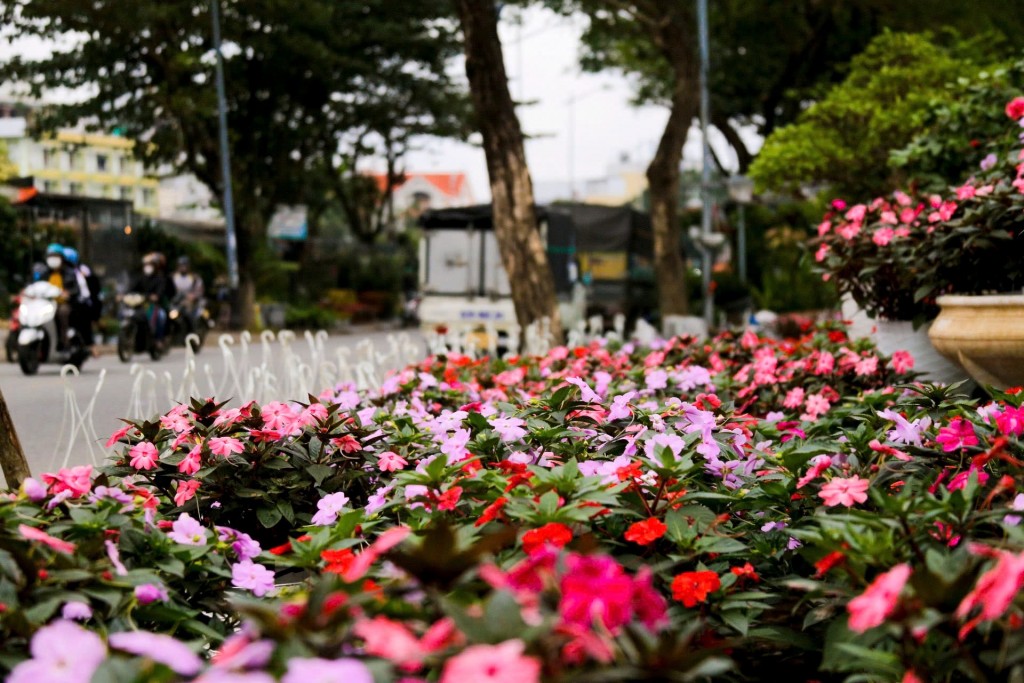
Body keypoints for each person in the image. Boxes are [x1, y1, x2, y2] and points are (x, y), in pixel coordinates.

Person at [41, 242, 80, 350]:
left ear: (62, 258)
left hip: (62, 303)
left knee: (62, 312)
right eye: (50, 256)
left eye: (56, 256)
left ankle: (64, 340)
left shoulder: (70, 273)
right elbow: (37, 286)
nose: (53, 259)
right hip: (46, 304)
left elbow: (76, 290)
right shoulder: (44, 273)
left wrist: (68, 293)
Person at [130, 252, 173, 348]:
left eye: (150, 265)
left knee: (161, 317)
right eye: (146, 265)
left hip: (156, 305)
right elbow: (132, 288)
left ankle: (158, 339)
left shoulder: (161, 278)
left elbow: (161, 292)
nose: (147, 267)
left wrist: (156, 296)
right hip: (141, 304)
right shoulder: (141, 277)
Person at [63, 247, 100, 350]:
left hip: (82, 302)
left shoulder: (81, 270)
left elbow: (89, 287)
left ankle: (90, 344)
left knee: (82, 318)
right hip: (66, 301)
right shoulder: (58, 273)